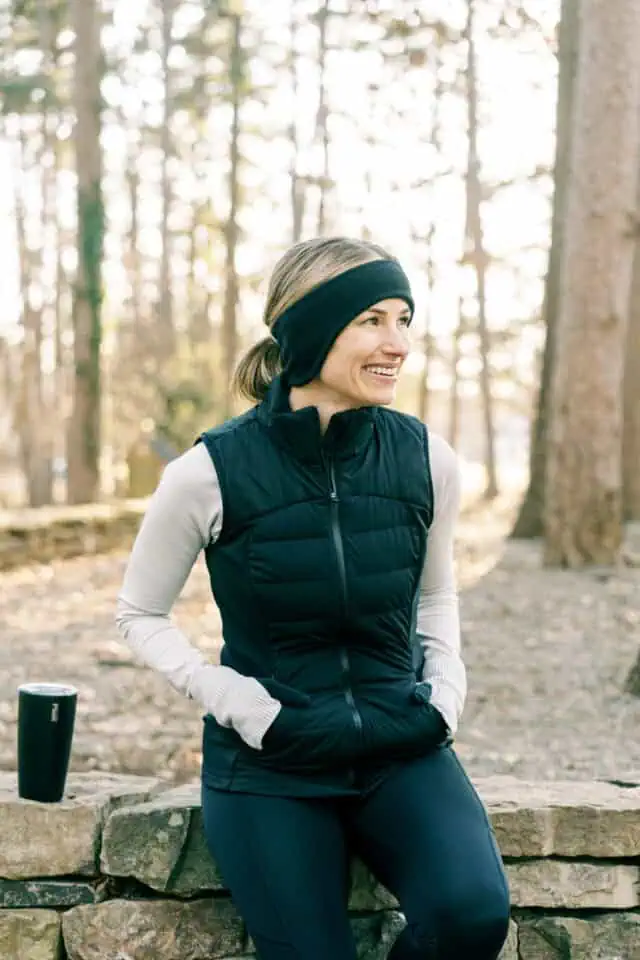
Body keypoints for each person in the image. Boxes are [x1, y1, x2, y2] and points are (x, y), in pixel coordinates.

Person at [115, 237, 511, 959]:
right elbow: (140, 615)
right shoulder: (208, 472)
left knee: (471, 915)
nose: (398, 344)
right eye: (371, 321)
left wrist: (446, 690)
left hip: (400, 744)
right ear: (308, 330)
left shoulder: (426, 457)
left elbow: (435, 598)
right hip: (273, 763)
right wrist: (239, 702)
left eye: (403, 319)